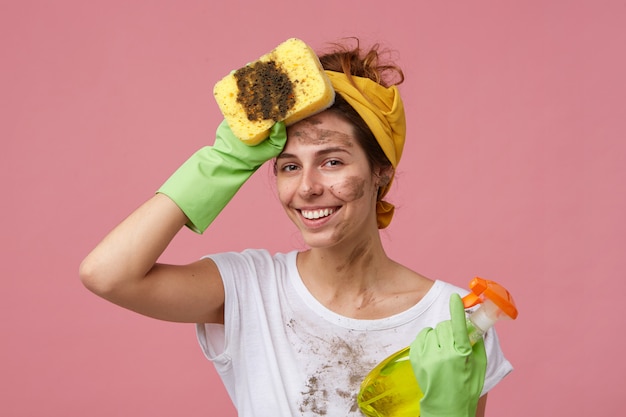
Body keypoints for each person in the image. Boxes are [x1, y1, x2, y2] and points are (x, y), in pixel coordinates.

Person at [79, 38, 512, 417]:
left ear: (381, 171)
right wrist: (222, 160)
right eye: (289, 166)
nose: (306, 187)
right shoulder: (250, 290)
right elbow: (107, 274)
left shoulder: (457, 319)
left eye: (332, 161)